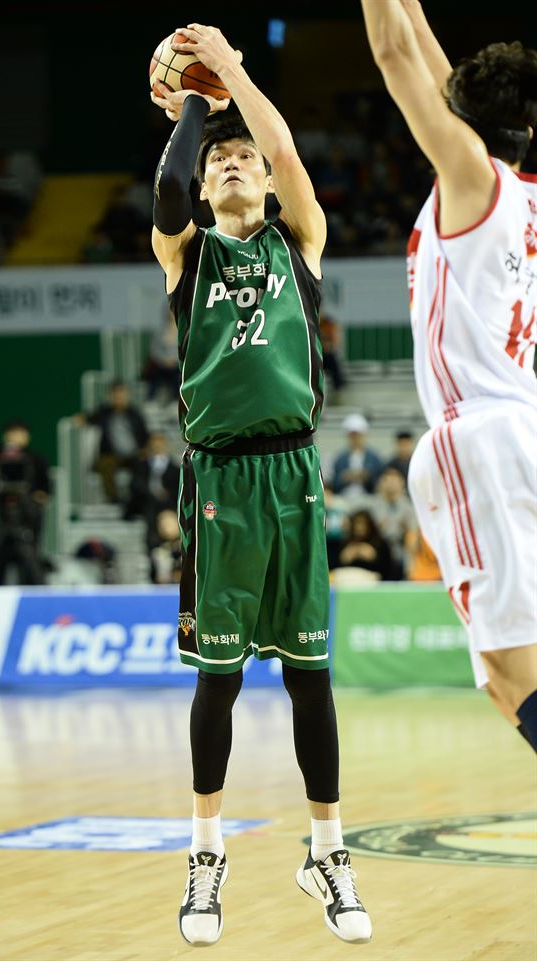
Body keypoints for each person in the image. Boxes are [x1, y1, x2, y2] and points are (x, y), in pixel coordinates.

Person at [151, 22, 371, 948]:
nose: (237, 163)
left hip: (294, 477)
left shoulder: (301, 243)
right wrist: (192, 107)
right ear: (205, 187)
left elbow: (281, 146)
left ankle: (328, 853)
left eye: (247, 158)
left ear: (271, 182)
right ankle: (206, 859)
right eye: (222, 161)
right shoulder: (187, 254)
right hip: (220, 486)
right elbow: (165, 187)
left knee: (312, 679)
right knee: (222, 684)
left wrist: (236, 74)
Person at [361, 1, 537, 749]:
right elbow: (430, 59)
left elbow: (399, 57)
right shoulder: (520, 192)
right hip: (518, 430)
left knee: (510, 667)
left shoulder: (476, 181)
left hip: (483, 438)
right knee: (504, 680)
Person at [0, 420, 50, 585]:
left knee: (29, 556)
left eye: (21, 433)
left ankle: (33, 591)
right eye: (13, 433)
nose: (17, 437)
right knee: (2, 557)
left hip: (28, 517)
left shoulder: (36, 459)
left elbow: (46, 489)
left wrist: (37, 497)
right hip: (4, 516)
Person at [74, 381, 149, 503]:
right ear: (111, 396)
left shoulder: (135, 414)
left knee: (144, 463)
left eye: (121, 394)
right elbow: (90, 418)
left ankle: (138, 496)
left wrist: (144, 450)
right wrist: (80, 419)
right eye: (115, 395)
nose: (118, 398)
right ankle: (113, 497)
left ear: (127, 395)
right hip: (111, 455)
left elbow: (144, 435)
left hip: (134, 455)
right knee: (105, 464)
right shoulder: (104, 412)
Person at [370, 466, 417, 579]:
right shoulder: (372, 505)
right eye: (387, 480)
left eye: (394, 480)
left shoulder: (409, 507)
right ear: (381, 483)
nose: (391, 484)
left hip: (401, 547)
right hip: (379, 547)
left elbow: (414, 531)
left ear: (402, 483)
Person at [331, 413, 383, 499]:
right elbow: (334, 484)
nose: (355, 439)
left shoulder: (374, 458)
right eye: (352, 436)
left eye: (358, 435)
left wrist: (367, 477)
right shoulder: (340, 459)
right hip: (344, 497)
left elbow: (379, 482)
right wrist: (344, 478)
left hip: (369, 497)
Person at [336, 509, 393, 581]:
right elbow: (334, 569)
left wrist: (375, 557)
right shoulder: (344, 542)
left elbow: (388, 570)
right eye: (357, 523)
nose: (359, 528)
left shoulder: (380, 543)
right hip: (347, 581)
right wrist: (344, 557)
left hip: (374, 583)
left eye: (362, 523)